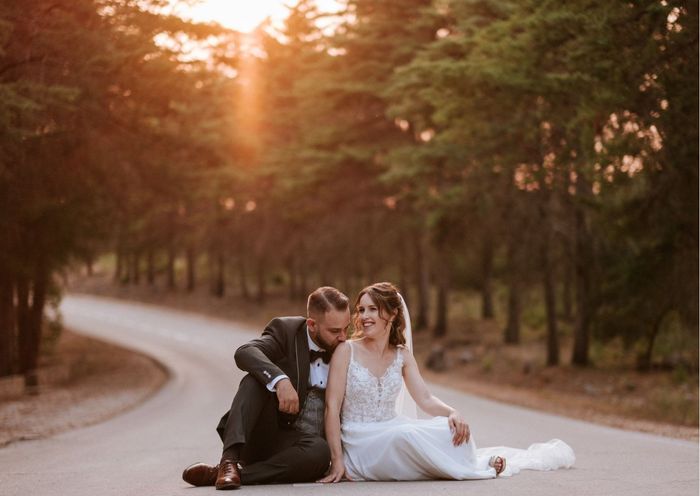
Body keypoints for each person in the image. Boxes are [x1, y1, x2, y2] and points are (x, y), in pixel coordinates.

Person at [320, 282, 575, 482]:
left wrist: (453, 412)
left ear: (392, 313)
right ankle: (476, 468)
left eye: (373, 309)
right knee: (406, 434)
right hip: (359, 439)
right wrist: (337, 459)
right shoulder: (347, 351)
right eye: (362, 309)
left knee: (445, 428)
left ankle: (473, 461)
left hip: (392, 428)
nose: (365, 316)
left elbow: (426, 399)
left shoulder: (402, 356)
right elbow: (332, 408)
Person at [182, 286, 351, 490]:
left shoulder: (347, 349)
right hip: (267, 435)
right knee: (253, 381)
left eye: (346, 329)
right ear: (312, 325)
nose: (343, 337)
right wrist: (280, 380)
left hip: (303, 451)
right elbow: (245, 352)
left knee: (320, 452)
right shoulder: (287, 330)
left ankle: (229, 474)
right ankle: (229, 461)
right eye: (335, 331)